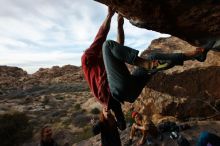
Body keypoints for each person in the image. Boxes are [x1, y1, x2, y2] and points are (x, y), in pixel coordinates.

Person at [81, 6, 216, 131]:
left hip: (130, 91)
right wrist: (109, 16)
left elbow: (119, 47)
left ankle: (196, 55)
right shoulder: (87, 58)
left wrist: (119, 25)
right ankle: (146, 64)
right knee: (107, 45)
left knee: (153, 57)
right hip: (117, 91)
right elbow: (101, 38)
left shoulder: (107, 65)